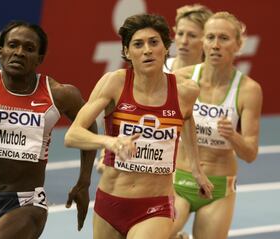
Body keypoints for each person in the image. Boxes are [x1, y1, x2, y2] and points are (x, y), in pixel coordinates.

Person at [0, 20, 97, 239]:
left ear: (39, 59)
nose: (19, 52)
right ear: (1, 52)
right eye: (13, 45)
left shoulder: (59, 94)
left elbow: (89, 125)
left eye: (29, 49)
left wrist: (84, 182)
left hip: (27, 203)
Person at [64, 13, 213, 239]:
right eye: (138, 44)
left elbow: (187, 118)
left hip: (155, 205)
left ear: (165, 48)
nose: (147, 50)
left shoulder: (186, 91)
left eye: (154, 42)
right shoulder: (114, 82)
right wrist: (110, 141)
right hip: (110, 203)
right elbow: (72, 135)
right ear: (127, 52)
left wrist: (196, 168)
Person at [170, 12, 263, 239]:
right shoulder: (180, 78)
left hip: (219, 188)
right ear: (203, 41)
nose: (215, 45)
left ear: (238, 45)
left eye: (224, 38)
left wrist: (233, 136)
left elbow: (250, 153)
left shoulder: (249, 90)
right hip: (178, 181)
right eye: (210, 37)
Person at [164, 4, 212, 72]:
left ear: (206, 40)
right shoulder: (159, 68)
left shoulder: (210, 77)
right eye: (180, 34)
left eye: (192, 35)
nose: (184, 41)